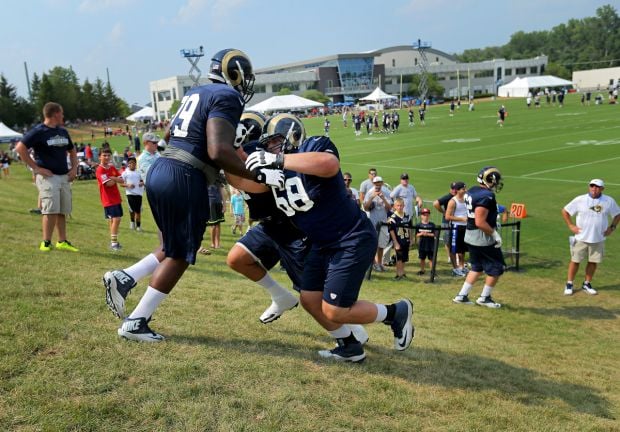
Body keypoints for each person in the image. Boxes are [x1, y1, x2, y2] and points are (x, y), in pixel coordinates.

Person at [103, 48, 283, 342]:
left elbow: (170, 139)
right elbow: (218, 150)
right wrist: (257, 173)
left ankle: (125, 278)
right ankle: (136, 321)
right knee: (181, 254)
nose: (246, 83)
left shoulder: (195, 92)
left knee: (173, 243)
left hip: (163, 168)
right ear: (234, 71)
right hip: (185, 175)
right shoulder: (226, 96)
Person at [244, 114, 413, 362]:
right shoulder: (276, 172)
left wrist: (278, 159)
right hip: (322, 243)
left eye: (275, 142)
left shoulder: (314, 145)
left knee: (334, 310)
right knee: (310, 299)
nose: (271, 148)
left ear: (292, 134)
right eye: (268, 146)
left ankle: (395, 312)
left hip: (350, 237)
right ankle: (349, 347)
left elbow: (329, 164)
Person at [15, 102, 79, 252]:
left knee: (63, 209)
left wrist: (74, 168)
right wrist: (36, 168)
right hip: (48, 177)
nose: (63, 116)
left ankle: (62, 241)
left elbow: (72, 150)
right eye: (61, 113)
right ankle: (46, 242)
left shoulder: (63, 132)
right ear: (55, 113)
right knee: (50, 209)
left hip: (63, 176)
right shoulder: (39, 131)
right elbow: (20, 148)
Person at [453, 167, 505, 308]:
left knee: (477, 267)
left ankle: (462, 295)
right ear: (490, 180)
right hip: (482, 236)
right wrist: (494, 234)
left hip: (470, 235)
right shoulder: (486, 196)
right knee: (496, 267)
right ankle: (485, 297)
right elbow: (480, 221)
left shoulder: (473, 190)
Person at [561, 179, 620, 295]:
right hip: (581, 238)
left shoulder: (608, 201)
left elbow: (618, 214)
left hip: (598, 238)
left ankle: (586, 284)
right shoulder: (580, 199)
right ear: (589, 187)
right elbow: (565, 211)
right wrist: (571, 225)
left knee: (593, 262)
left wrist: (612, 227)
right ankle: (569, 284)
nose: (594, 188)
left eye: (597, 187)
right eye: (592, 186)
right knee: (575, 261)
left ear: (602, 189)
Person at [96, 147, 125, 251]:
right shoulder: (100, 170)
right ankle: (114, 244)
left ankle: (114, 241)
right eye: (104, 155)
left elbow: (122, 180)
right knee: (116, 219)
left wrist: (113, 178)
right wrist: (114, 179)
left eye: (108, 155)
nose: (107, 157)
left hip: (116, 198)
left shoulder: (111, 168)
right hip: (108, 199)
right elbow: (108, 184)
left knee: (113, 220)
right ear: (99, 157)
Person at [364, 176, 392, 272]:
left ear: (382, 183)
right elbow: (366, 208)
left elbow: (389, 208)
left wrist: (383, 198)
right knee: (372, 245)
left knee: (381, 245)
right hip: (372, 223)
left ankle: (379, 263)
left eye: (379, 182)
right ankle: (373, 263)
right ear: (373, 184)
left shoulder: (387, 192)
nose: (378, 185)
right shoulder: (369, 192)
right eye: (376, 183)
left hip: (383, 222)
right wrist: (372, 197)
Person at [445, 182, 469, 276]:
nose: (465, 190)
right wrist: (461, 219)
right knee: (454, 249)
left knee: (462, 249)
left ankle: (462, 267)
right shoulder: (453, 201)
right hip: (456, 227)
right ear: (458, 190)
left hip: (465, 227)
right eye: (463, 189)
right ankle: (455, 268)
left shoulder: (466, 199)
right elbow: (447, 216)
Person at [387, 198, 411, 280]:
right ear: (394, 206)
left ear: (404, 206)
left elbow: (410, 228)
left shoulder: (407, 216)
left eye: (401, 205)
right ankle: (398, 274)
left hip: (406, 240)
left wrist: (411, 239)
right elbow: (391, 230)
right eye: (398, 205)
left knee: (404, 258)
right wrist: (395, 242)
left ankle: (402, 272)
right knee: (399, 258)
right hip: (398, 240)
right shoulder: (393, 217)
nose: (400, 207)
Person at [120, 156, 144, 232]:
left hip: (139, 194)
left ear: (135, 164)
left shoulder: (139, 172)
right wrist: (128, 185)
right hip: (130, 194)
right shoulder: (125, 173)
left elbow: (144, 180)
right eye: (130, 163)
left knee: (138, 210)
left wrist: (142, 183)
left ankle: (138, 226)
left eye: (133, 163)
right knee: (132, 209)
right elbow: (121, 184)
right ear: (128, 164)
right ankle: (132, 222)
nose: (131, 164)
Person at [415, 208, 435, 275]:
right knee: (422, 258)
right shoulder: (418, 225)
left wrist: (427, 234)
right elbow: (416, 235)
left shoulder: (432, 225)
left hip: (430, 245)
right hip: (422, 244)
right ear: (421, 216)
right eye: (424, 215)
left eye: (427, 215)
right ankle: (422, 270)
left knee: (431, 259)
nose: (425, 216)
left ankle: (432, 271)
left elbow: (434, 234)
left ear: (429, 216)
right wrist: (421, 234)